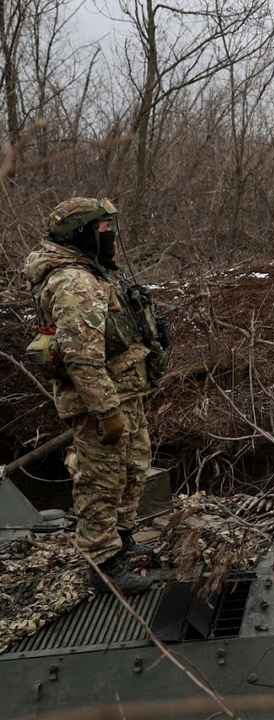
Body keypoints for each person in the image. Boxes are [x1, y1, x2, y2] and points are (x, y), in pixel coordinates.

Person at [22, 198, 156, 595]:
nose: (110, 237)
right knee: (101, 479)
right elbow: (82, 359)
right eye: (102, 230)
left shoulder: (92, 272)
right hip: (100, 401)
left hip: (123, 391)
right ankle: (102, 564)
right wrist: (106, 410)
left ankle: (122, 541)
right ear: (81, 234)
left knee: (132, 467)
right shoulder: (73, 283)